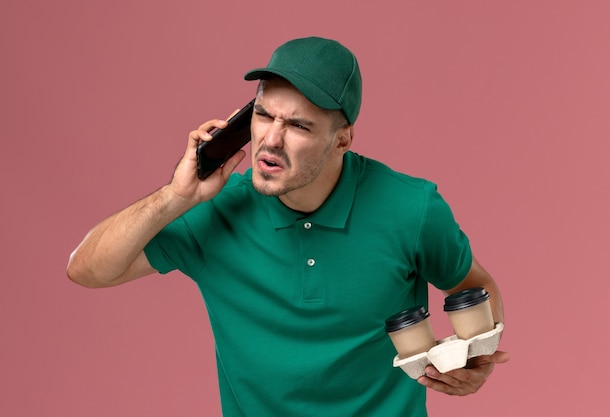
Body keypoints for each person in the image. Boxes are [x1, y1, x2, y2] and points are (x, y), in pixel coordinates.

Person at [67, 36, 509, 417]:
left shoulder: (411, 208)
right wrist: (174, 198)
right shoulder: (217, 212)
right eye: (263, 115)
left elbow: (474, 285)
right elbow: (87, 270)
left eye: (297, 124)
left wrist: (477, 361)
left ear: (342, 139)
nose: (271, 139)